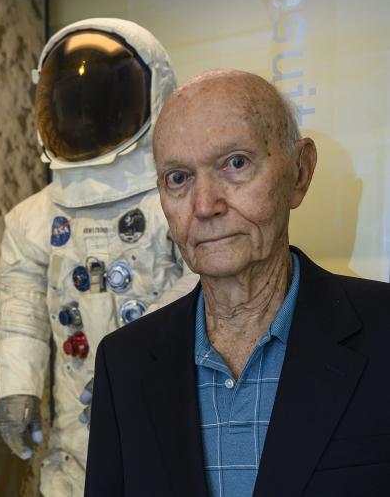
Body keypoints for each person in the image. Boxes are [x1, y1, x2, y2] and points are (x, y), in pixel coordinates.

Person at [84, 69, 390, 497]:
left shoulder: (383, 333)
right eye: (178, 178)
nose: (206, 205)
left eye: (236, 164)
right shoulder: (125, 365)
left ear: (299, 173)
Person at [0, 18, 198, 497]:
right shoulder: (32, 220)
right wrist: (15, 388)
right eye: (72, 100)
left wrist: (132, 368)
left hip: (168, 408)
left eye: (105, 99)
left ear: (153, 91)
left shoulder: (177, 198)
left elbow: (205, 290)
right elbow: (20, 314)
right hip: (75, 434)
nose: (86, 115)